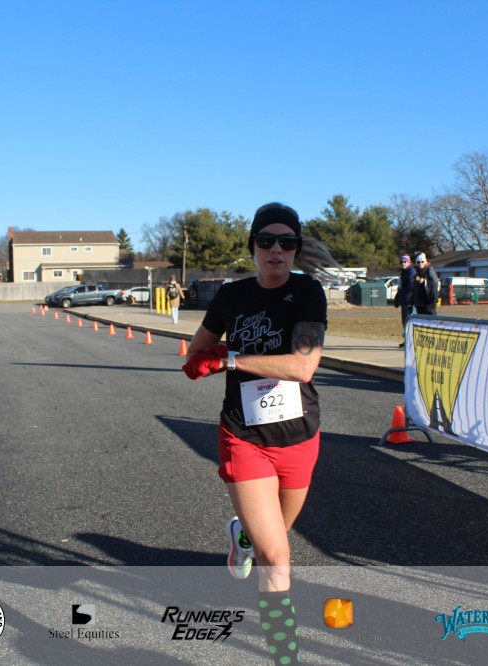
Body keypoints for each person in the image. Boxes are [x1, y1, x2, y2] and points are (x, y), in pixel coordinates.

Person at [183, 202, 326, 666]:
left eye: (287, 242)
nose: (276, 250)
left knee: (274, 535)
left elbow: (303, 366)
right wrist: (206, 356)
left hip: (299, 436)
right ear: (253, 246)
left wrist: (233, 358)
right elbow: (196, 351)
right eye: (267, 240)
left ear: (296, 249)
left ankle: (241, 536)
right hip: (244, 436)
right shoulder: (231, 296)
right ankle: (284, 654)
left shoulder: (308, 292)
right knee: (277, 558)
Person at [392, 254, 416, 348]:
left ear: (409, 262)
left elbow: (410, 286)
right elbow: (401, 287)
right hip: (404, 301)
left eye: (405, 262)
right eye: (401, 262)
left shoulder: (411, 272)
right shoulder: (403, 272)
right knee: (405, 322)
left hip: (409, 301)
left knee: (409, 322)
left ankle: (411, 342)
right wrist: (397, 298)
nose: (403, 263)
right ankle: (407, 340)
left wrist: (404, 295)